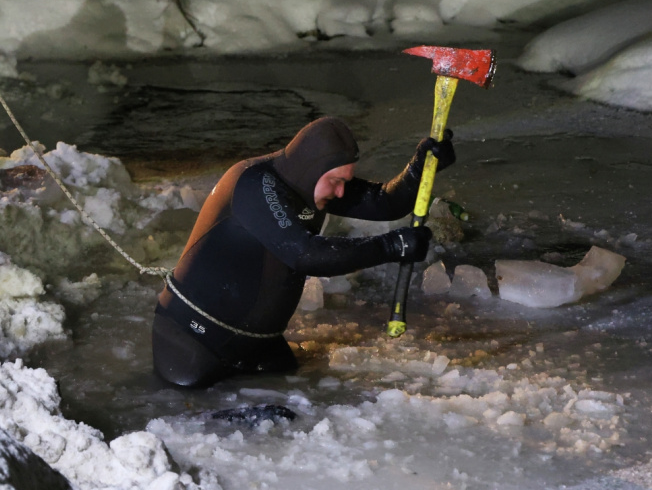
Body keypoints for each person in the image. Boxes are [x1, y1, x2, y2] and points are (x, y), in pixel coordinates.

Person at [153, 117, 456, 387]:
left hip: (260, 347)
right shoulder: (254, 184)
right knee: (195, 406)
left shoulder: (312, 184)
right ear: (312, 169)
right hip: (191, 343)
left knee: (294, 393)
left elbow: (384, 202)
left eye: (345, 182)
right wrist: (391, 246)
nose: (341, 192)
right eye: (335, 181)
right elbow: (304, 254)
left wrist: (420, 169)